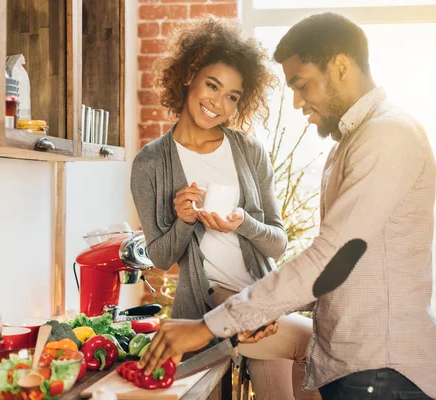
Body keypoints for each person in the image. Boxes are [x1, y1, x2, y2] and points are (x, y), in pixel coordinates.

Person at [137, 12, 436, 400]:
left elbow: (330, 259)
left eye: (301, 84)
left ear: (340, 66)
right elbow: (352, 271)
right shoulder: (352, 143)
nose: (297, 102)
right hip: (361, 370)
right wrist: (259, 312)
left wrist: (209, 326)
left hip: (381, 374)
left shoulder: (386, 136)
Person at [130, 16, 319, 400]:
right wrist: (183, 220)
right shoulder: (150, 163)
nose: (218, 103)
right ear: (189, 76)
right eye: (212, 86)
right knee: (313, 342)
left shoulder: (249, 151)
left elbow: (278, 244)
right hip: (209, 302)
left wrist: (243, 223)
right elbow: (162, 258)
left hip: (263, 298)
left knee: (292, 373)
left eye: (232, 96)